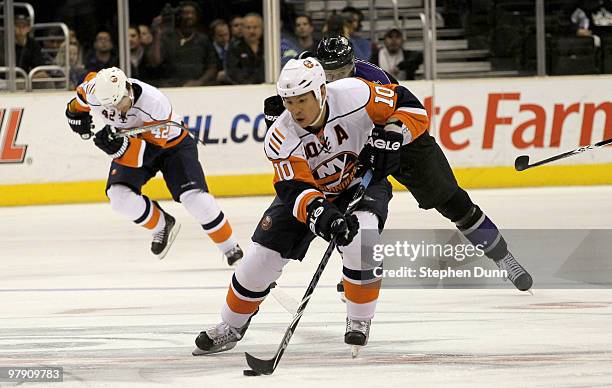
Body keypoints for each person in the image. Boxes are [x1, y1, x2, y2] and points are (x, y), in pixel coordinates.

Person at [192, 57, 429, 355]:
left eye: (302, 100)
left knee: (363, 238)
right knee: (260, 260)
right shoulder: (280, 136)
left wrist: (394, 133)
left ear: (321, 92)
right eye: (289, 102)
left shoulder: (357, 94)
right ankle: (231, 325)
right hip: (309, 193)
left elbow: (412, 108)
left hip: (359, 181)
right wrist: (325, 218)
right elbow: (296, 191)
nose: (296, 110)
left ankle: (359, 319)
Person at [266, 35, 534, 294]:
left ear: (353, 64)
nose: (336, 79)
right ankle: (355, 268)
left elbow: (410, 112)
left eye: (343, 71)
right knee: (347, 209)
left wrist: (393, 135)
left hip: (405, 146)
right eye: (329, 74)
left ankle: (502, 255)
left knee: (452, 200)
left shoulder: (371, 80)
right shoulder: (307, 80)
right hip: (352, 149)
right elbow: (289, 117)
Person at [64, 67, 243, 265]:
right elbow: (77, 103)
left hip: (172, 146)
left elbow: (151, 150)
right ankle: (161, 224)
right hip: (133, 142)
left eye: (118, 103)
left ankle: (230, 247)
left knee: (195, 199)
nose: (115, 111)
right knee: (119, 197)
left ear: (128, 90)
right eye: (109, 107)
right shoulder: (93, 90)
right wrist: (74, 116)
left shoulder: (154, 102)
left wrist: (119, 148)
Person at [150, 1, 218, 87]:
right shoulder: (168, 37)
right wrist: (157, 35)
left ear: (197, 16)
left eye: (192, 13)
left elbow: (212, 67)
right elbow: (155, 61)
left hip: (198, 87)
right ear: (179, 16)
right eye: (186, 13)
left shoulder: (203, 39)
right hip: (171, 86)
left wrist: (199, 82)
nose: (189, 16)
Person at [225, 13, 264, 84]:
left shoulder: (268, 46)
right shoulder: (234, 48)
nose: (252, 31)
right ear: (242, 29)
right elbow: (233, 72)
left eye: (255, 27)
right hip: (243, 88)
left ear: (261, 29)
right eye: (248, 27)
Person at [209, 19, 230, 83]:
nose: (225, 38)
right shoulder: (207, 51)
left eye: (227, 34)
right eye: (221, 36)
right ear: (213, 36)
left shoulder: (235, 49)